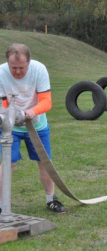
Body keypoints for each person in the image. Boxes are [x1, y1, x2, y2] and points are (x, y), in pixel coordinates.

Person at [0, 43, 66, 214]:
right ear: (7, 62)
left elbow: (46, 101)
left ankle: (51, 200)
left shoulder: (39, 69)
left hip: (37, 125)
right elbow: (2, 103)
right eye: (13, 67)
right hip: (10, 126)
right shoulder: (1, 73)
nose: (17, 72)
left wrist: (30, 112)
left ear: (29, 61)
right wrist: (12, 115)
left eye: (21, 67)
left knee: (45, 163)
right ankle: (1, 205)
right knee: (7, 164)